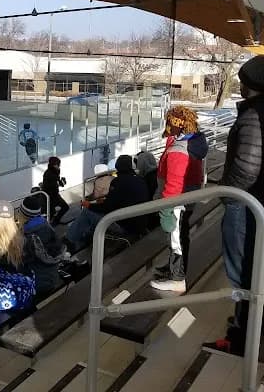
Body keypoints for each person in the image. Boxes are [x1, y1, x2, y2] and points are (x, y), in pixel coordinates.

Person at [206, 56, 264, 356]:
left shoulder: (254, 116)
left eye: (243, 81)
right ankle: (245, 325)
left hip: (246, 206)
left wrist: (229, 195)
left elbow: (247, 167)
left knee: (242, 269)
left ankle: (242, 336)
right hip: (252, 205)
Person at [151, 106, 208, 293]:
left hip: (177, 203)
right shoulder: (191, 141)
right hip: (187, 199)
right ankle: (173, 268)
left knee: (176, 240)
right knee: (180, 236)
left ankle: (177, 279)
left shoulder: (179, 150)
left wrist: (166, 209)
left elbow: (174, 184)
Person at [66, 155, 150, 248]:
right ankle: (86, 236)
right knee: (93, 213)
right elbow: (124, 199)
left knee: (87, 212)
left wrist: (89, 205)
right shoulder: (140, 180)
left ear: (118, 166)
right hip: (140, 223)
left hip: (125, 227)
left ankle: (70, 240)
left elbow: (107, 208)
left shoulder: (118, 182)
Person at [17, 195, 66, 297]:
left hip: (36, 284)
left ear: (23, 215)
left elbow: (18, 262)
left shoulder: (27, 236)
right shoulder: (47, 227)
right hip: (52, 278)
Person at [42, 157, 69, 226]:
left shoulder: (56, 171)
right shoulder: (48, 173)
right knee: (54, 211)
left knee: (64, 207)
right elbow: (50, 185)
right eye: (58, 164)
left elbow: (57, 182)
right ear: (54, 165)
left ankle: (55, 221)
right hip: (49, 196)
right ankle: (48, 226)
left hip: (54, 194)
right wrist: (60, 183)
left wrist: (61, 182)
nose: (59, 166)